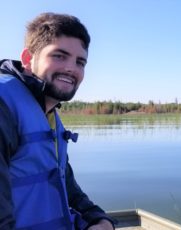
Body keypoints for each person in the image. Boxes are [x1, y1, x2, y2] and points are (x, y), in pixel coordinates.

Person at [0, 13, 115, 229]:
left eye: (80, 62)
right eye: (59, 56)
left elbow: (65, 185)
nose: (71, 68)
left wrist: (97, 218)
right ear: (28, 59)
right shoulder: (4, 105)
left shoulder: (48, 114)